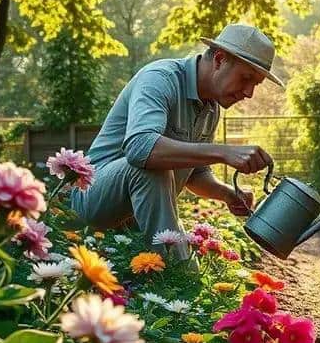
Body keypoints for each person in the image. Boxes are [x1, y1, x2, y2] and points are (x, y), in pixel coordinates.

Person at [71, 24, 279, 259]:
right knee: (151, 167)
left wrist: (228, 194)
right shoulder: (160, 78)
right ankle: (180, 273)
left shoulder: (211, 109)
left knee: (185, 260)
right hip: (93, 200)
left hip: (136, 218)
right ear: (219, 60)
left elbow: (196, 174)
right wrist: (223, 152)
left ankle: (180, 271)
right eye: (246, 78)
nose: (249, 92)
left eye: (256, 84)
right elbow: (140, 149)